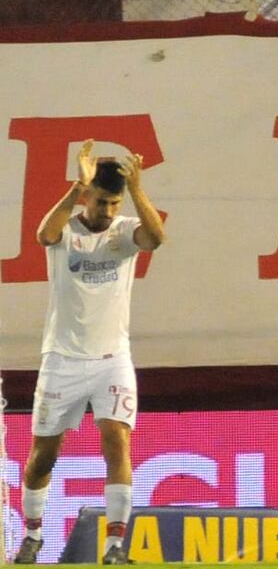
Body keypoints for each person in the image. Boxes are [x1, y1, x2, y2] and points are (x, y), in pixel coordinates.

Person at [15, 140, 166, 565]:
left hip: (111, 359)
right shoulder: (67, 230)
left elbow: (156, 238)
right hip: (62, 358)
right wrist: (72, 189)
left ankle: (116, 547)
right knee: (43, 456)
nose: (107, 211)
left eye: (114, 203)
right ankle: (33, 535)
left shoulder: (125, 232)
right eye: (101, 201)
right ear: (87, 197)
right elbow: (43, 234)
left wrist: (137, 191)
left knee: (117, 441)